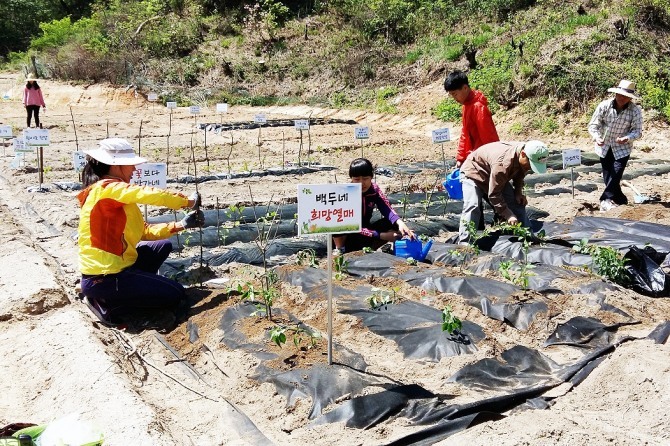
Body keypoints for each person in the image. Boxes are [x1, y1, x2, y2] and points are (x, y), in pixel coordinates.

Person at [77, 138, 204, 325]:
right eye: (131, 165)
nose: (135, 170)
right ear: (116, 165)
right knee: (176, 294)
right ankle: (109, 305)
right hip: (105, 277)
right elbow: (149, 194)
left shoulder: (114, 194)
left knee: (162, 246)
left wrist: (181, 225)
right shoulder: (109, 189)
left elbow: (143, 231)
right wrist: (188, 202)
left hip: (116, 268)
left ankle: (129, 289)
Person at [458, 140, 549, 244]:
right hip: (474, 172)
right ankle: (465, 243)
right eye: (530, 165)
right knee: (473, 205)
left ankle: (528, 235)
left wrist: (518, 192)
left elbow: (520, 173)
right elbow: (494, 194)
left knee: (516, 203)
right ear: (523, 154)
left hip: (494, 174)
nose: (529, 168)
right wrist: (508, 214)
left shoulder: (525, 152)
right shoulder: (503, 164)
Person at [333, 158, 415, 254]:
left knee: (392, 222)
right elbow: (352, 227)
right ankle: (340, 250)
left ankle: (371, 247)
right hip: (350, 235)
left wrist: (400, 223)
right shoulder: (345, 194)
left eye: (365, 178)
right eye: (356, 179)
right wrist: (382, 235)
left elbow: (386, 208)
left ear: (371, 177)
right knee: (336, 222)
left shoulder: (373, 190)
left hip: (366, 232)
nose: (361, 183)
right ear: (351, 179)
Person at [587, 79, 643, 212]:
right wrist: (597, 137)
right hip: (604, 146)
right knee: (608, 175)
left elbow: (637, 132)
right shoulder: (604, 106)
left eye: (625, 96)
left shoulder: (635, 111)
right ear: (616, 94)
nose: (621, 98)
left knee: (616, 172)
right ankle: (620, 199)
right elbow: (593, 125)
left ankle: (605, 200)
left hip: (622, 148)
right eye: (620, 95)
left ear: (630, 98)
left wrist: (627, 138)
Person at [444, 70, 499, 168]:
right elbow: (465, 133)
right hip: (474, 157)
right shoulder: (466, 105)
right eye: (451, 95)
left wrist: (493, 161)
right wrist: (460, 158)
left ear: (465, 88)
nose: (454, 98)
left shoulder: (478, 107)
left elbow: (489, 137)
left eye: (455, 94)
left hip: (482, 159)